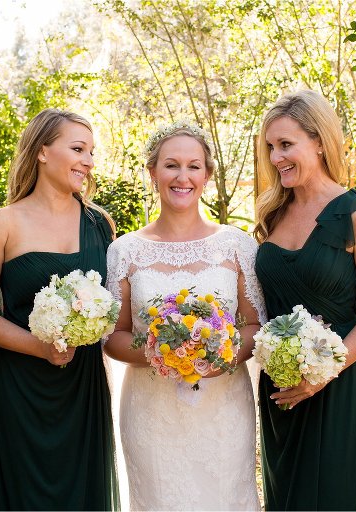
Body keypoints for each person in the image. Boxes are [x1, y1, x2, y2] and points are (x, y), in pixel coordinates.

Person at [104, 121, 265, 510]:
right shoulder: (125, 251)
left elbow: (255, 325)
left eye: (194, 166)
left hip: (223, 410)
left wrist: (215, 355)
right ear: (153, 172)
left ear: (206, 175)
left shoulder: (237, 245)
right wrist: (164, 354)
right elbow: (113, 337)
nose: (183, 177)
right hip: (152, 414)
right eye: (171, 165)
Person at [0, 108, 120, 511]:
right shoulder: (1, 224)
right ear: (42, 151)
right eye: (78, 149)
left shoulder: (100, 223)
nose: (88, 161)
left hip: (84, 384)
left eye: (91, 152)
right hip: (23, 386)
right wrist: (38, 347)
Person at [253, 90, 356, 510]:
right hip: (280, 386)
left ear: (318, 141)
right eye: (271, 147)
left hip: (336, 382)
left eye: (286, 144)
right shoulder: (272, 213)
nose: (276, 157)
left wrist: (323, 373)